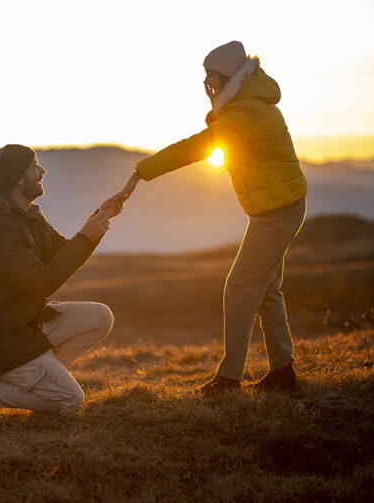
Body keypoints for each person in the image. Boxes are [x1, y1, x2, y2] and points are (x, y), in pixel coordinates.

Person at [121, 41, 308, 396]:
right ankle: (283, 373)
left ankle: (228, 381)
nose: (208, 84)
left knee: (239, 287)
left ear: (229, 77)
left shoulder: (244, 114)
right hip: (280, 207)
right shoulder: (247, 106)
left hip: (276, 212)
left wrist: (143, 171)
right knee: (266, 289)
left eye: (212, 77)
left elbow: (198, 147)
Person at [0, 144, 125, 427]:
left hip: (26, 325)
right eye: (34, 166)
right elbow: (43, 281)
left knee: (101, 318)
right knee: (69, 400)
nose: (42, 171)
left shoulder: (28, 214)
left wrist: (101, 216)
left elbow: (63, 251)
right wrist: (87, 236)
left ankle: (37, 375)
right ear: (17, 178)